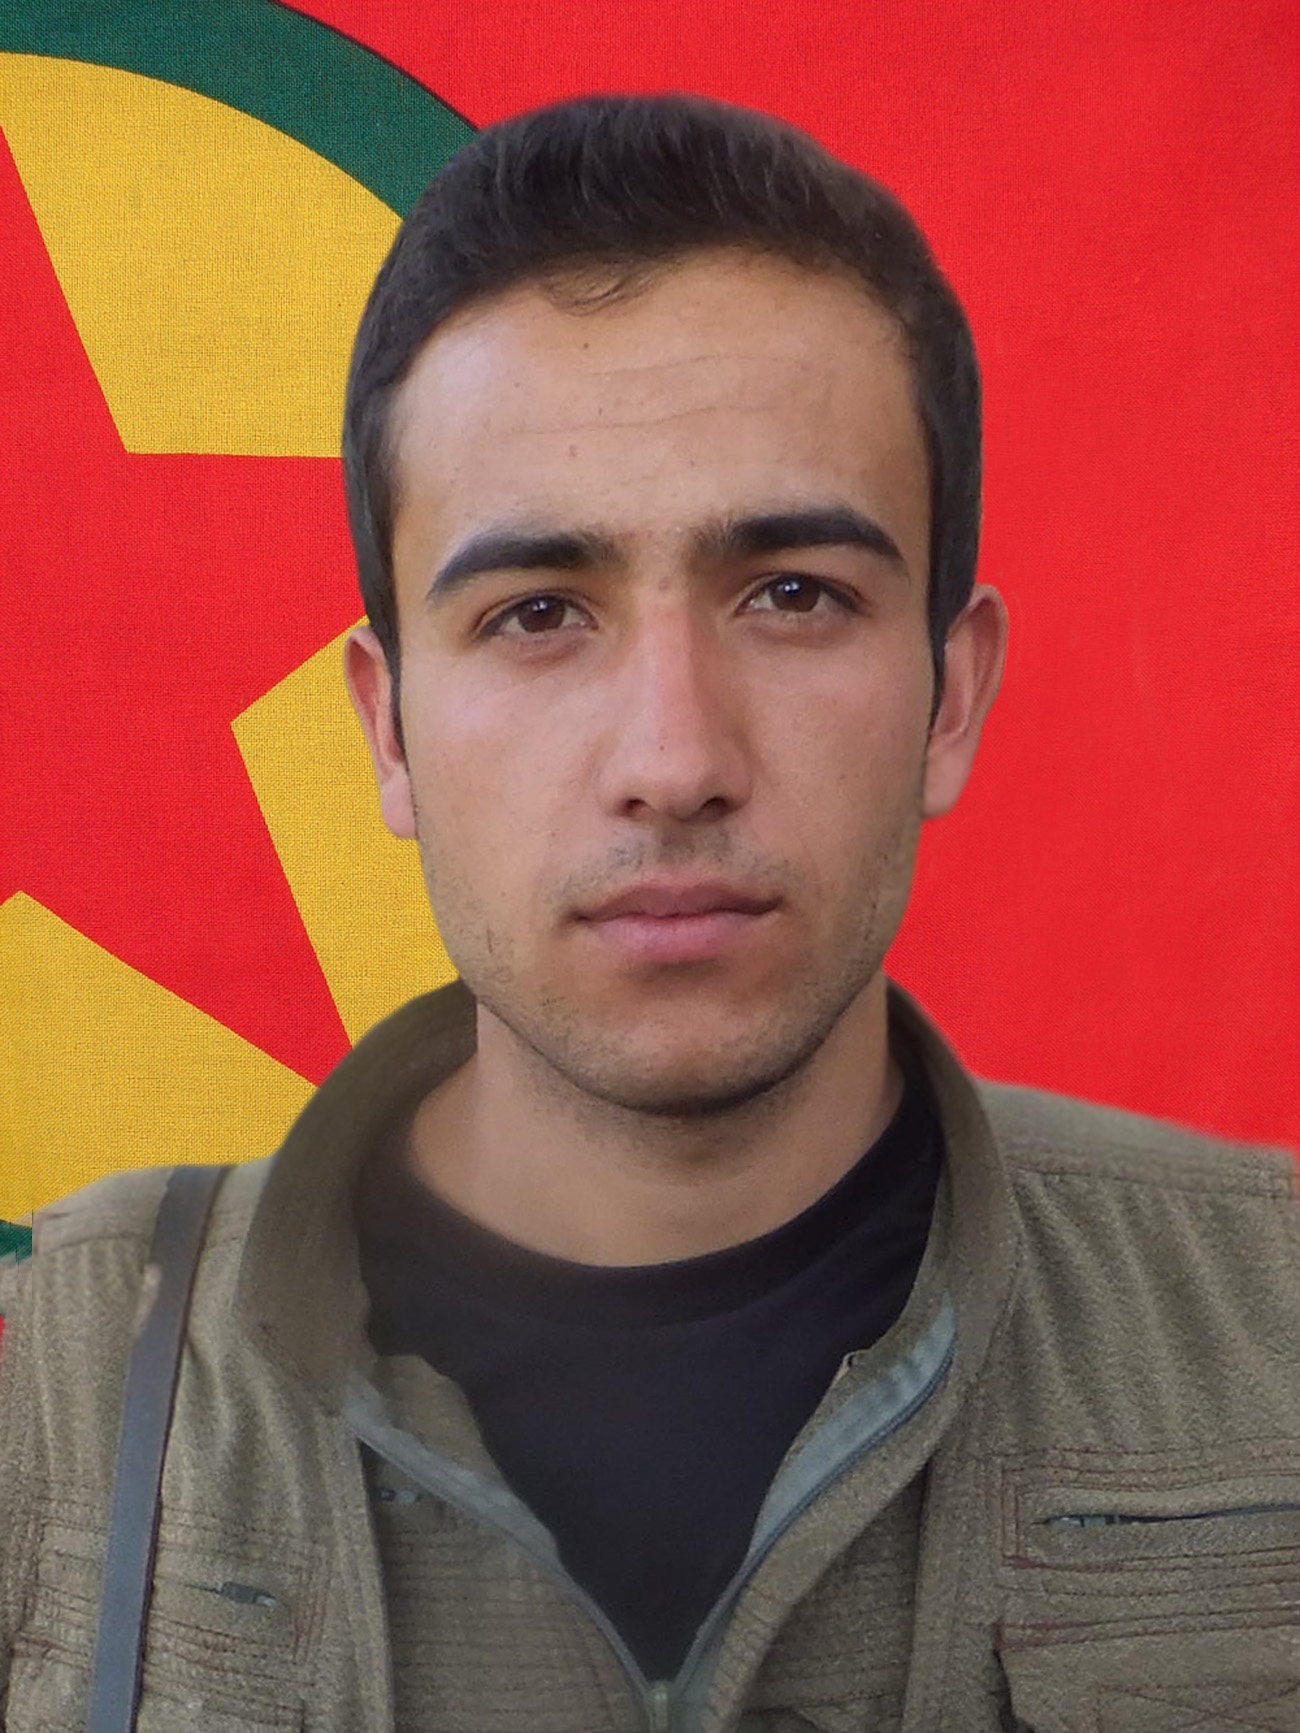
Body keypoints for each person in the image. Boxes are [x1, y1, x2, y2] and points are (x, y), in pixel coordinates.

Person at [2, 93, 1298, 1733]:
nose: (675, 760)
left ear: (951, 696)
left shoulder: (1277, 1325)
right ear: (389, 730)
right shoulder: (54, 1388)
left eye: (794, 595)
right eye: (540, 612)